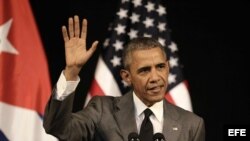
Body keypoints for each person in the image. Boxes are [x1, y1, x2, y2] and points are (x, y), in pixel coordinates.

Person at [43, 15, 205, 141]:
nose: (155, 77)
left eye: (160, 67)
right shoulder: (102, 111)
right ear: (126, 76)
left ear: (168, 67)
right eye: (144, 70)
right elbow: (59, 128)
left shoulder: (191, 124)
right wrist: (71, 71)